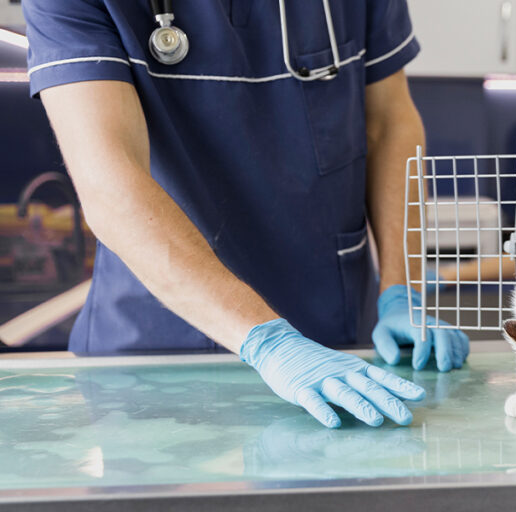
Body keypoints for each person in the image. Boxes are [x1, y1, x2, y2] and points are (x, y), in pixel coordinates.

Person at [22, 0, 469, 429]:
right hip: (157, 357)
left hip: (335, 341)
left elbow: (390, 122)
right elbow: (109, 180)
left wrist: (403, 291)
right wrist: (270, 343)